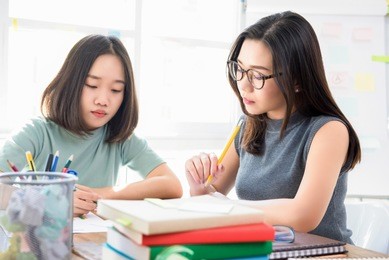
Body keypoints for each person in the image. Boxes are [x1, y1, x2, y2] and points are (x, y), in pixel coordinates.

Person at [185, 11, 361, 243]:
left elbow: (303, 215)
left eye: (257, 75)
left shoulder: (328, 131)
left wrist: (227, 207)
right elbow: (211, 199)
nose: (244, 85)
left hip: (325, 255)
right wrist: (198, 184)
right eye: (239, 69)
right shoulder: (247, 126)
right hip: (268, 250)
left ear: (296, 80)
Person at [0, 34, 183, 216]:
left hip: (94, 240)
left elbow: (171, 184)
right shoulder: (36, 133)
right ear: (71, 83)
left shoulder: (119, 136)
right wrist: (48, 201)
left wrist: (104, 194)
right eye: (92, 85)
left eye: (116, 90)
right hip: (41, 242)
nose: (103, 100)